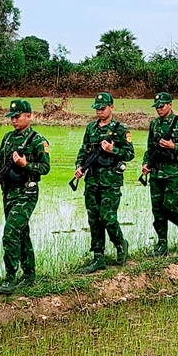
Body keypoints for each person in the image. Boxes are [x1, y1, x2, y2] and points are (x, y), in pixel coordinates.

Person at [0, 99, 51, 294]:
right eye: (12, 117)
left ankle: (10, 277)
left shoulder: (38, 140)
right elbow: (0, 162)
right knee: (21, 232)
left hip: (27, 191)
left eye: (17, 117)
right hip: (8, 192)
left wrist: (26, 165)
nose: (14, 120)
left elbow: (45, 168)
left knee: (10, 232)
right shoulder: (7, 138)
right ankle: (30, 274)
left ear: (29, 116)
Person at [74, 92, 135, 273]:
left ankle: (120, 244)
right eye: (97, 109)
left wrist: (113, 149)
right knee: (94, 219)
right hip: (92, 180)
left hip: (111, 181)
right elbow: (84, 150)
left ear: (111, 108)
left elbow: (129, 154)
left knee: (107, 217)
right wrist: (79, 166)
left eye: (103, 108)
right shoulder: (91, 128)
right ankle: (98, 256)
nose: (99, 112)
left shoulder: (121, 130)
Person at [141, 92, 178, 255]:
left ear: (170, 105)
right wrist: (146, 164)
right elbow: (150, 148)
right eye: (157, 106)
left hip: (173, 172)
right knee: (157, 210)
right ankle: (162, 244)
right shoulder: (154, 125)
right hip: (156, 173)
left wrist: (175, 146)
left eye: (162, 106)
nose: (159, 109)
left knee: (170, 206)